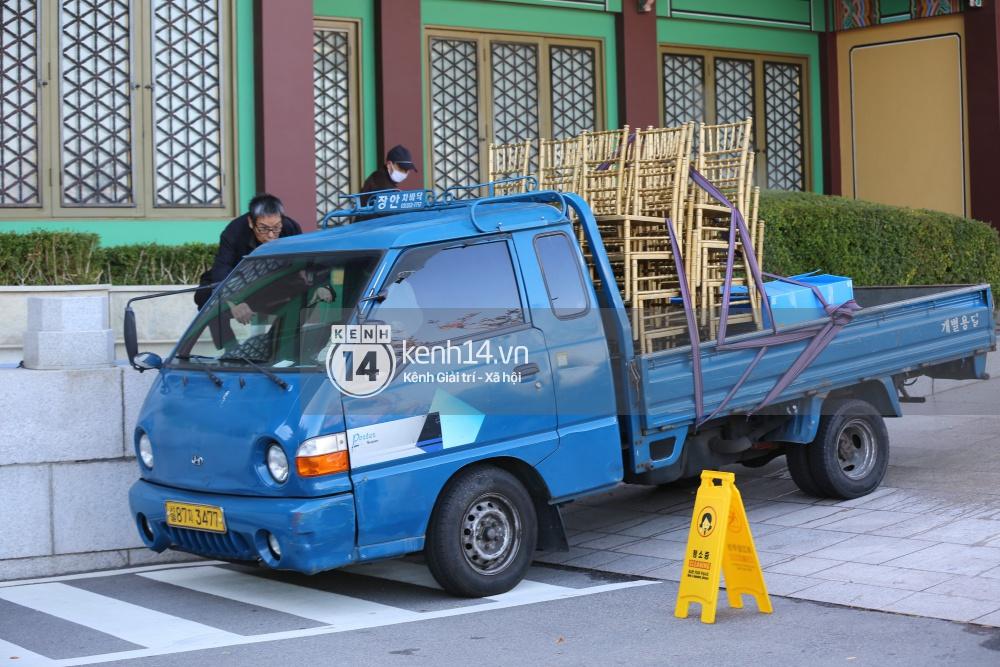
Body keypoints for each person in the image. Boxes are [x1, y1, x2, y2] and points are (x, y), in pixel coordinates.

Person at [194, 194, 302, 314]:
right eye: (263, 228)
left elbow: (303, 264)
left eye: (276, 228)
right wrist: (233, 302)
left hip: (273, 281)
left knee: (300, 295)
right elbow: (222, 268)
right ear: (251, 222)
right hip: (239, 280)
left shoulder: (291, 228)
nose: (271, 235)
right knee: (206, 297)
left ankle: (280, 332)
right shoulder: (234, 232)